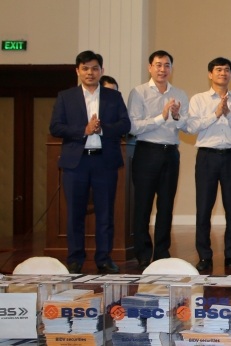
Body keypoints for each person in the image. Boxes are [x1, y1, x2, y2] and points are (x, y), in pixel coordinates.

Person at [49, 51, 130, 273]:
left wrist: (102, 129)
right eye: (85, 68)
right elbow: (55, 127)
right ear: (78, 71)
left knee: (105, 213)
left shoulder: (113, 97)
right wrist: (83, 130)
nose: (90, 73)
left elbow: (125, 124)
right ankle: (75, 258)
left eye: (94, 68)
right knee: (75, 213)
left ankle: (104, 258)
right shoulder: (66, 97)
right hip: (76, 163)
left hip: (104, 162)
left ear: (102, 71)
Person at [127, 50, 190, 270]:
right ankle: (143, 253)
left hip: (171, 153)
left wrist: (176, 116)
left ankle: (162, 252)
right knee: (143, 205)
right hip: (146, 152)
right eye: (158, 65)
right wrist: (161, 117)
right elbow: (133, 126)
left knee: (166, 206)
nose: (163, 69)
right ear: (150, 67)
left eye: (167, 65)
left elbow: (187, 127)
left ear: (171, 68)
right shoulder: (139, 92)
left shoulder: (179, 94)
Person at [186, 58, 231, 272]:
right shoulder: (199, 99)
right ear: (210, 74)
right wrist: (216, 114)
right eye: (219, 69)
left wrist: (228, 114)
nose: (223, 73)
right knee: (204, 208)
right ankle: (204, 256)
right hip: (207, 156)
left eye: (227, 70)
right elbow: (191, 127)